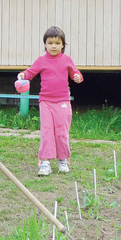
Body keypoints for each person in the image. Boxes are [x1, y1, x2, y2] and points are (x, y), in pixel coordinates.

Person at [18, 26, 83, 176]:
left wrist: (78, 77)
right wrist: (23, 75)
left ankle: (63, 160)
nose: (54, 46)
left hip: (63, 101)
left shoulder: (67, 60)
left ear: (63, 45)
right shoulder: (41, 61)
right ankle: (45, 163)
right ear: (45, 44)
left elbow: (75, 73)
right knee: (47, 132)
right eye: (50, 43)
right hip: (45, 101)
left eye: (57, 43)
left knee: (62, 132)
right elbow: (30, 72)